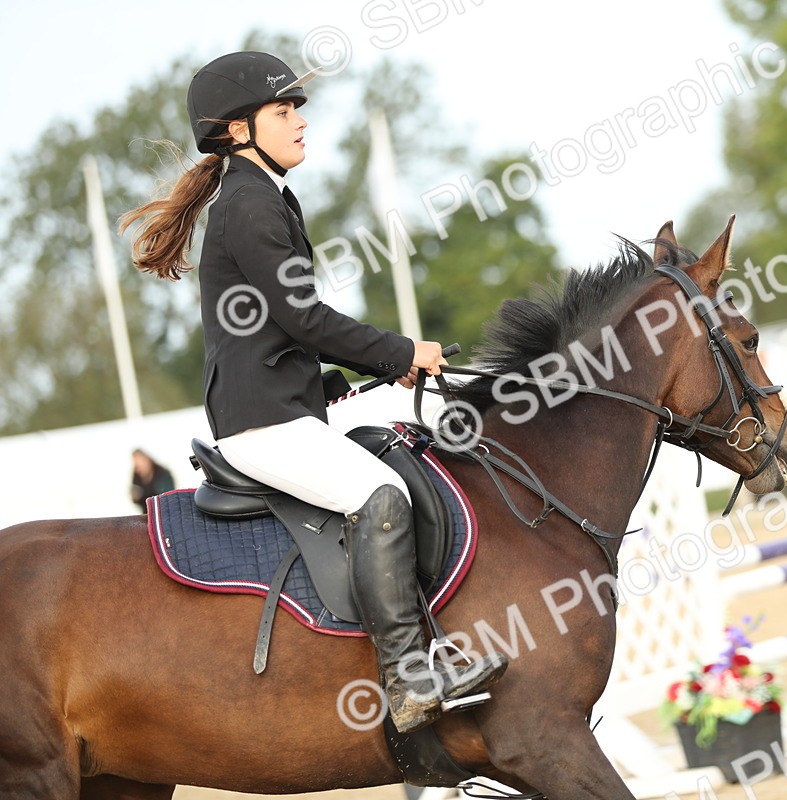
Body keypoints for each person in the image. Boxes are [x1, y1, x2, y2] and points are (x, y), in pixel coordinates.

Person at [119, 51, 505, 733]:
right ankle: (409, 679)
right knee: (380, 496)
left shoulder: (263, 195)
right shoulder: (247, 204)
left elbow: (276, 330)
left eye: (297, 108)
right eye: (283, 111)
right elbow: (303, 317)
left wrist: (352, 375)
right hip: (261, 424)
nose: (300, 122)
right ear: (238, 132)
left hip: (280, 407)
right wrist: (399, 351)